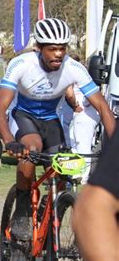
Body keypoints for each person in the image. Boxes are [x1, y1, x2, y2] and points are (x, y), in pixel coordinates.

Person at [0, 18, 116, 241]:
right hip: (24, 117)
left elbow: (103, 108)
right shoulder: (21, 64)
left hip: (51, 120)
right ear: (38, 48)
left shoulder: (74, 68)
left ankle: (50, 215)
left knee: (63, 168)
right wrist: (10, 140)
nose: (59, 54)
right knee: (32, 148)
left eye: (62, 48)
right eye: (52, 49)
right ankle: (22, 210)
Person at [72, 126, 119, 261]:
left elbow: (103, 108)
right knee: (32, 151)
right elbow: (92, 208)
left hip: (52, 126)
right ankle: (23, 213)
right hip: (28, 122)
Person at [58, 54, 100, 184]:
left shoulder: (71, 75)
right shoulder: (83, 75)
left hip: (83, 114)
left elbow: (70, 93)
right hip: (84, 113)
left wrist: (76, 105)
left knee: (82, 144)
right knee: (75, 142)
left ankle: (84, 176)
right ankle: (78, 172)